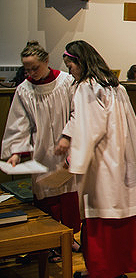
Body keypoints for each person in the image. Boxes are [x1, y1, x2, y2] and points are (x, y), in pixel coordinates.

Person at [57, 40, 136, 278]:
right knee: (125, 209)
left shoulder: (87, 87)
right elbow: (83, 118)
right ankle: (120, 268)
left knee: (103, 212)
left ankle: (100, 270)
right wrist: (67, 135)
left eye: (70, 64)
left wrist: (74, 157)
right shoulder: (114, 85)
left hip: (103, 159)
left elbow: (91, 126)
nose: (70, 70)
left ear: (81, 61)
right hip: (124, 156)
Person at [2, 41, 81, 260]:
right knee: (47, 196)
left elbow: (78, 112)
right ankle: (52, 244)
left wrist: (68, 136)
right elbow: (19, 123)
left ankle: (70, 238)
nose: (30, 73)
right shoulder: (24, 90)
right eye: (26, 69)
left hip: (67, 147)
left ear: (46, 61)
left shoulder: (66, 82)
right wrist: (17, 151)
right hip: (41, 151)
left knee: (70, 195)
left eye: (34, 68)